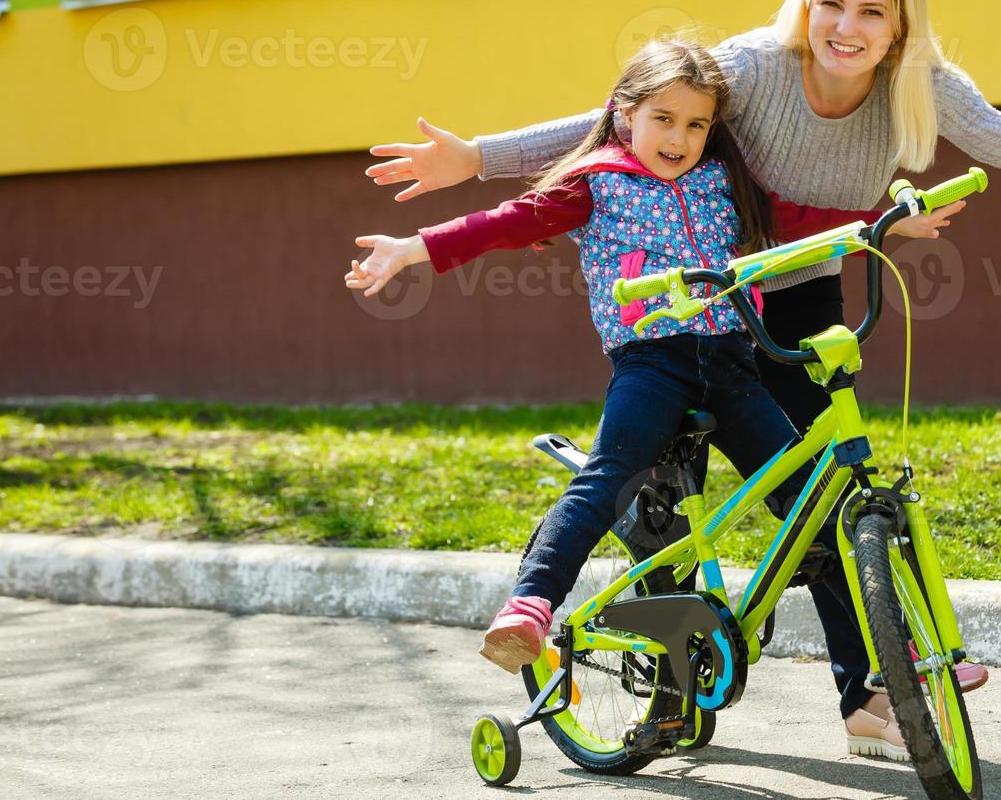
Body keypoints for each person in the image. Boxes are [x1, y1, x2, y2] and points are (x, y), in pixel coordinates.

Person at [361, 0, 1001, 759]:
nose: (847, 28)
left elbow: (990, 137)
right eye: (832, 4)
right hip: (684, 312)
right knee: (662, 497)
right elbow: (610, 127)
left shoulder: (888, 95)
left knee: (818, 494)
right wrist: (475, 161)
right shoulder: (745, 71)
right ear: (808, 1)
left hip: (791, 295)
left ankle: (874, 691)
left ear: (900, 25)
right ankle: (659, 683)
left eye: (872, 13)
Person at [346, 40, 958, 753]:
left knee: (809, 500)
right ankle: (531, 606)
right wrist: (412, 249)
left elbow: (798, 220)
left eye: (696, 125)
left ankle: (882, 677)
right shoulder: (596, 183)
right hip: (650, 367)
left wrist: (884, 223)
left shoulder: (723, 179)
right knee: (612, 476)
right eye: (664, 119)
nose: (680, 138)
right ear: (624, 114)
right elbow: (505, 224)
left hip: (733, 366)